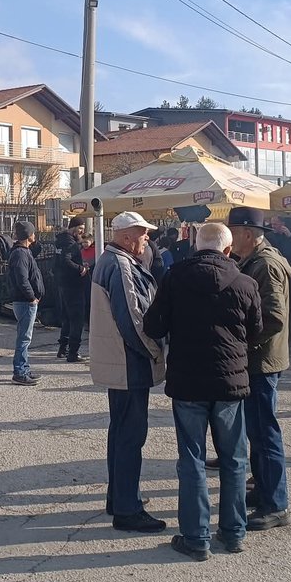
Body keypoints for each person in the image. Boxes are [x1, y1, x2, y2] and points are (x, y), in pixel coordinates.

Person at [143, 222, 260, 561]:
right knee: (235, 459)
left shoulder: (175, 278)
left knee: (192, 460)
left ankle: (196, 538)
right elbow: (256, 330)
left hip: (188, 382)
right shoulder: (246, 282)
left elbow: (153, 325)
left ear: (196, 246)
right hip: (230, 383)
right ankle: (234, 532)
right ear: (227, 250)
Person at [89, 211, 165, 533]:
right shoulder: (120, 265)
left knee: (121, 431)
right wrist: (155, 352)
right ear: (126, 236)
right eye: (143, 234)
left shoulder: (111, 260)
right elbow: (133, 322)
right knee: (131, 434)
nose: (146, 240)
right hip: (128, 363)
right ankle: (127, 509)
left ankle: (119, 497)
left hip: (120, 362)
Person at [228, 207, 291, 532]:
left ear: (249, 234)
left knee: (265, 432)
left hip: (262, 360)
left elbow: (274, 317)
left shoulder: (265, 264)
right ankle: (263, 490)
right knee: (256, 429)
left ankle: (276, 504)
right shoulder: (255, 260)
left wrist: (246, 342)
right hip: (260, 359)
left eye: (234, 230)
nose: (230, 236)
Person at [7, 220, 44, 385]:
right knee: (24, 338)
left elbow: (37, 250)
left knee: (25, 337)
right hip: (25, 302)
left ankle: (25, 368)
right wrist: (31, 297)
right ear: (29, 235)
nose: (35, 235)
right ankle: (20, 372)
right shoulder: (20, 254)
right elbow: (22, 279)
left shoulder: (24, 251)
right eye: (33, 233)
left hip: (26, 301)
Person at [54, 217, 90, 363]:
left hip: (62, 284)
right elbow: (66, 260)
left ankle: (63, 348)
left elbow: (59, 261)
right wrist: (81, 268)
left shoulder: (60, 241)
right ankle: (73, 352)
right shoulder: (70, 243)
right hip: (74, 285)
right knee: (77, 320)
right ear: (73, 227)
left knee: (67, 318)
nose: (82, 231)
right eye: (80, 228)